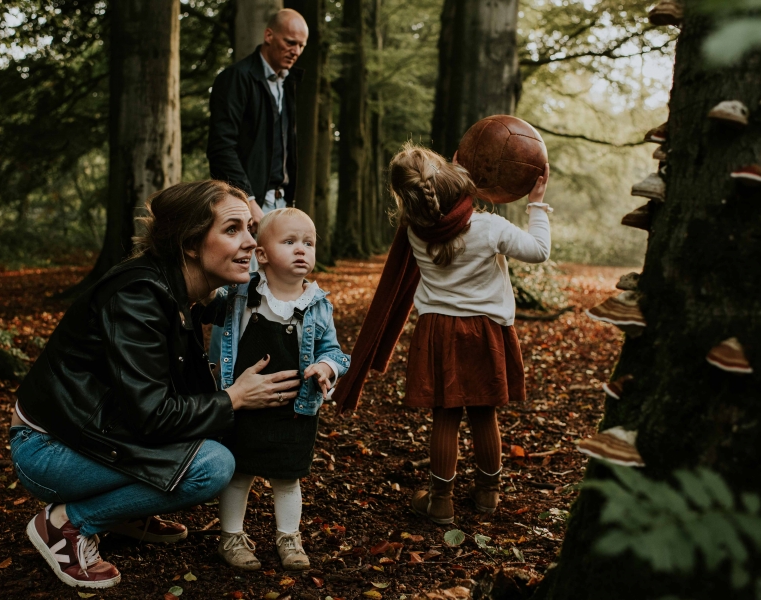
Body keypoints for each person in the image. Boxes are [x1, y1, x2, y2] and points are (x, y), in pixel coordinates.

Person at [8, 181, 303, 589]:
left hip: (96, 432)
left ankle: (126, 513)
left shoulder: (178, 290)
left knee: (218, 437)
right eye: (233, 229)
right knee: (213, 466)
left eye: (250, 229)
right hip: (49, 449)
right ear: (190, 243)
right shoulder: (138, 298)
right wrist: (233, 398)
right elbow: (152, 415)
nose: (251, 242)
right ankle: (67, 524)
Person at [334, 143, 551, 525]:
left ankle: (440, 502)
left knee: (445, 416)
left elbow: (432, 201)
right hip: (486, 331)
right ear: (449, 178)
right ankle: (488, 494)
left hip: (438, 331)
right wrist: (535, 203)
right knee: (484, 412)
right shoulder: (490, 227)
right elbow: (538, 251)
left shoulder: (414, 230)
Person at [210, 208, 350, 571]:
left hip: (294, 408)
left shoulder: (318, 305)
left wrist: (325, 367)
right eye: (289, 242)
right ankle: (231, 536)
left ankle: (288, 536)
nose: (301, 249)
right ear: (262, 255)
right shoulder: (242, 296)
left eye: (308, 243)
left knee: (288, 478)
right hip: (243, 405)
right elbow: (210, 317)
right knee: (238, 474)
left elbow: (334, 351)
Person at [207, 8, 309, 361]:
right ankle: (218, 380)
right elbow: (221, 146)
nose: (295, 50)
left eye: (301, 45)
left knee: (276, 292)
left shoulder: (287, 83)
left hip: (279, 203)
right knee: (240, 290)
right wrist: (246, 200)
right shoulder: (236, 79)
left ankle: (261, 372)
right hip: (246, 203)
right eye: (289, 42)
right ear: (268, 36)